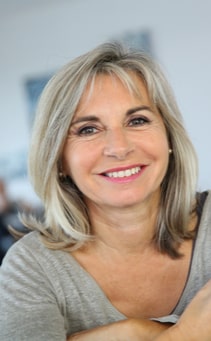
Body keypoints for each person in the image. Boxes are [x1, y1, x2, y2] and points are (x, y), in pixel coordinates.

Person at [0, 42, 211, 341]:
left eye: (137, 120)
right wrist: (181, 335)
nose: (119, 147)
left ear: (169, 138)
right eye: (88, 129)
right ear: (59, 159)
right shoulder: (31, 268)